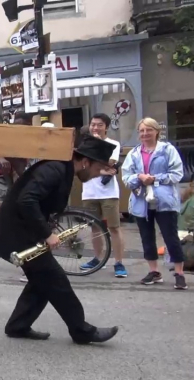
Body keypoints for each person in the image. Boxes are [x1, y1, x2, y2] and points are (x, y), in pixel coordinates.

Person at [0, 135, 119, 345]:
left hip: (24, 230)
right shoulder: (55, 169)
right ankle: (81, 330)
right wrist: (47, 234)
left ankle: (17, 325)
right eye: (97, 169)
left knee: (42, 281)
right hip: (19, 232)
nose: (95, 175)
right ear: (85, 162)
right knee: (56, 280)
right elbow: (26, 200)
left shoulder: (62, 169)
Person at [122, 118, 187, 289]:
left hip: (165, 202)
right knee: (147, 238)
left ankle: (179, 273)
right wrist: (138, 178)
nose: (145, 134)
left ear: (157, 131)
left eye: (149, 130)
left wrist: (154, 179)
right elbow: (126, 177)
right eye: (142, 131)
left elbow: (177, 174)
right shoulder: (134, 154)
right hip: (140, 202)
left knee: (171, 238)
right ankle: (154, 272)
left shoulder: (167, 150)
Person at [80, 113, 127, 278]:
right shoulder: (84, 144)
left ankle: (119, 262)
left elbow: (110, 164)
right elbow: (82, 167)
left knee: (114, 227)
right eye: (93, 124)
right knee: (94, 227)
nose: (95, 128)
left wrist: (96, 165)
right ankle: (97, 258)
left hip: (108, 192)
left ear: (106, 127)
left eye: (99, 125)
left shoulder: (113, 144)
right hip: (89, 192)